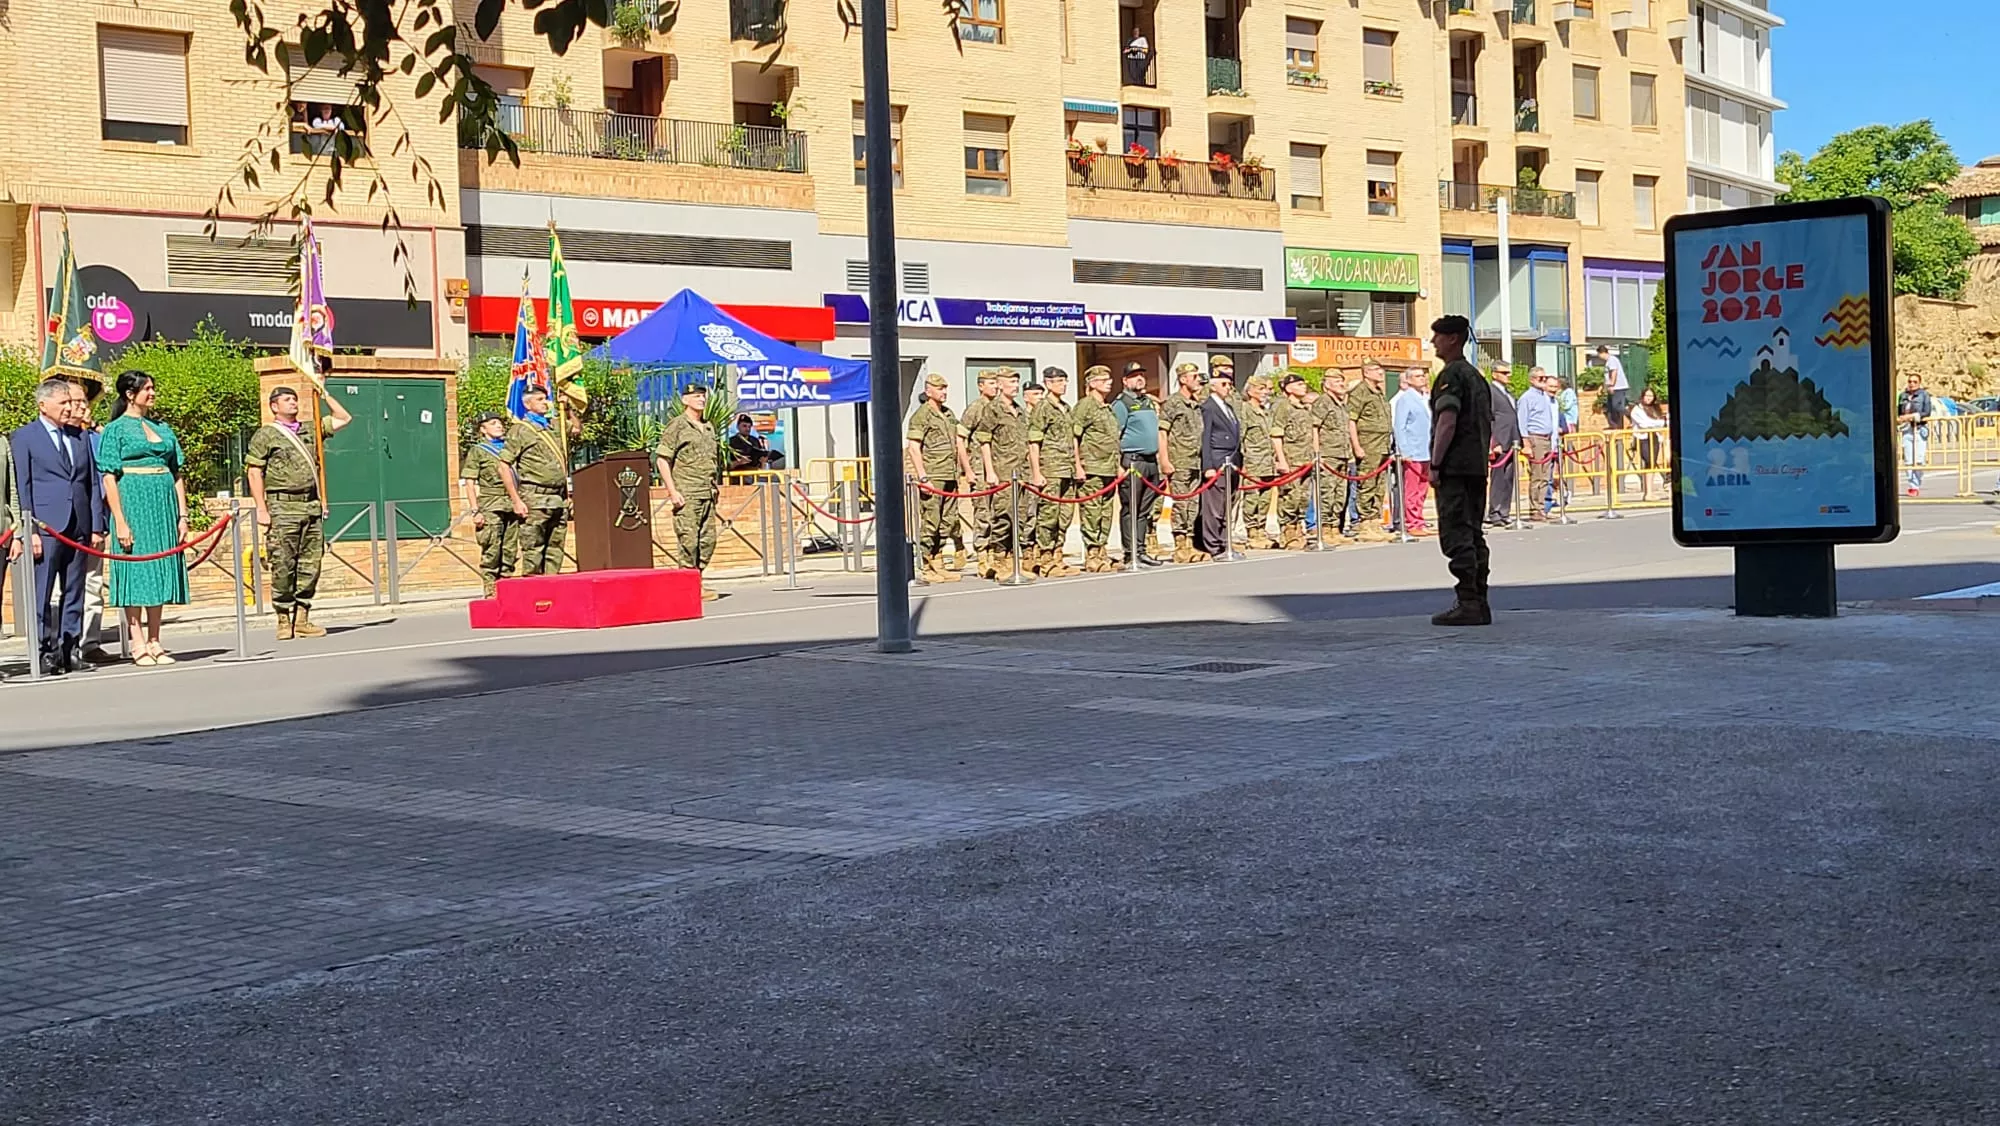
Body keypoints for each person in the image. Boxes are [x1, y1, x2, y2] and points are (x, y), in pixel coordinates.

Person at [95, 371, 191, 667]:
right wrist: (120, 521)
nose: (152, 393)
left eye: (153, 388)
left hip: (163, 508)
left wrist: (183, 515)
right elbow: (109, 477)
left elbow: (176, 473)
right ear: (129, 394)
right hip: (133, 505)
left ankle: (155, 639)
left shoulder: (163, 428)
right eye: (147, 388)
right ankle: (137, 641)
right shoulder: (115, 430)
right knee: (136, 571)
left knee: (159, 568)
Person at [12, 378, 106, 673]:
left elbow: (91, 482)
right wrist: (30, 530)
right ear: (43, 405)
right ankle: (44, 651)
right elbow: (23, 485)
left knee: (74, 590)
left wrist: (95, 525)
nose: (69, 408)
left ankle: (70, 649)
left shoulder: (79, 436)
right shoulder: (25, 437)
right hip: (46, 526)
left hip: (78, 524)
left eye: (71, 402)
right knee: (42, 591)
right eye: (63, 402)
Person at [246, 376, 352, 640]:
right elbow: (254, 472)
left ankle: (302, 618)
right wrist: (261, 508)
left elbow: (343, 418)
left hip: (310, 505)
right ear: (274, 406)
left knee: (310, 564)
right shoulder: (266, 435)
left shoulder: (311, 428)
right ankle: (283, 618)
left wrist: (324, 393)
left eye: (294, 399)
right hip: (282, 506)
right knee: (283, 563)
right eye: (286, 399)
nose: (293, 402)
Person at [1427, 315, 1494, 627]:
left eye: (1438, 336)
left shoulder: (1452, 375)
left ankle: (1468, 602)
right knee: (1473, 533)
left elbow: (1447, 420)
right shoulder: (1476, 376)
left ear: (1453, 338)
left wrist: (1436, 463)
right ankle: (1479, 600)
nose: (1434, 342)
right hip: (1476, 466)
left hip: (1455, 467)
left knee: (1457, 534)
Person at [497, 383, 576, 579]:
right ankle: (534, 592)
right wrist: (516, 500)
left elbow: (575, 429)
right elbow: (504, 466)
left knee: (555, 550)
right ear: (527, 404)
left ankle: (552, 590)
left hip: (558, 498)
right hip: (534, 497)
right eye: (539, 399)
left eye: (545, 398)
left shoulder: (553, 425)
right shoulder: (520, 430)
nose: (545, 402)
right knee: (533, 551)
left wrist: (568, 408)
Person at [655, 384, 723, 600]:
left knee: (707, 541)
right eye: (696, 396)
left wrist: (715, 486)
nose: (701, 399)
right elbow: (662, 459)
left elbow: (713, 460)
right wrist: (672, 491)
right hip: (687, 493)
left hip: (707, 493)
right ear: (685, 400)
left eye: (703, 396)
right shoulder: (677, 426)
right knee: (689, 541)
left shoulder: (708, 427)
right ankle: (687, 588)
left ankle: (696, 581)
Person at [905, 372, 967, 583]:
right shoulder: (921, 416)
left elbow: (959, 440)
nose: (944, 392)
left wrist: (964, 470)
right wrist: (923, 477)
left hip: (950, 474)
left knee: (947, 521)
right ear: (928, 390)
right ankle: (925, 564)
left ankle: (938, 560)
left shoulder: (948, 414)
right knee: (931, 521)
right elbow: (914, 448)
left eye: (945, 388)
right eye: (940, 388)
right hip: (933, 475)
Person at [973, 369, 1033, 580]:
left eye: (1017, 382)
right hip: (1003, 473)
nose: (1015, 386)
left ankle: (1013, 561)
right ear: (999, 384)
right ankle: (999, 560)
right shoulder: (992, 409)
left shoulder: (1020, 411)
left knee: (1020, 517)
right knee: (1002, 518)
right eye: (1011, 382)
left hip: (1021, 473)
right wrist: (990, 471)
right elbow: (984, 441)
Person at [460, 411, 521, 599]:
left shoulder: (510, 448)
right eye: (493, 423)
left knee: (510, 550)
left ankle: (506, 587)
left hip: (511, 504)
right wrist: (475, 510)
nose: (499, 426)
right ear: (483, 429)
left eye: (500, 423)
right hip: (490, 505)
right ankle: (491, 590)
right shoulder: (478, 451)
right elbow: (470, 482)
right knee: (492, 549)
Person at [1111, 361, 1165, 567]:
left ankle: (1141, 550)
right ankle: (1130, 552)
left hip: (1150, 461)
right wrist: (1118, 465)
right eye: (1134, 376)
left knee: (1144, 510)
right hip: (1133, 462)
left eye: (1141, 375)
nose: (1140, 378)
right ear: (1125, 381)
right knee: (1130, 508)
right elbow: (1115, 435)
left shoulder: (1147, 402)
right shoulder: (1122, 404)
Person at [1070, 365, 1123, 573]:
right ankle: (1092, 554)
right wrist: (1078, 465)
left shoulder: (1107, 408)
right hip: (1092, 467)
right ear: (1092, 383)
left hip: (1108, 467)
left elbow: (1112, 440)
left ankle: (1102, 550)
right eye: (1103, 380)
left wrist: (1118, 465)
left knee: (1106, 512)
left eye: (1109, 379)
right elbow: (1074, 437)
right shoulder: (1085, 406)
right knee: (1091, 512)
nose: (1109, 383)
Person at [1028, 367, 1079, 578]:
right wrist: (1036, 472)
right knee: (1048, 516)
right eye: (1058, 381)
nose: (1063, 385)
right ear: (1048, 384)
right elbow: (1033, 442)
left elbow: (1073, 440)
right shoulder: (1042, 408)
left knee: (1064, 516)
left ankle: (1058, 555)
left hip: (1067, 469)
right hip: (1051, 469)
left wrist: (1077, 466)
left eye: (1065, 381)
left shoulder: (1066, 408)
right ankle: (1045, 558)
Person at [1157, 362, 1207, 563]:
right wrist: (1164, 460)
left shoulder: (1196, 403)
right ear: (1183, 379)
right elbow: (1162, 433)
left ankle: (1190, 543)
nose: (1198, 380)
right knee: (1180, 503)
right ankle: (1180, 546)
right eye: (1194, 376)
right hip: (1179, 460)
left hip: (1196, 461)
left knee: (1193, 503)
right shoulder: (1173, 403)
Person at [1194, 363, 1242, 559]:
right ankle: (1214, 544)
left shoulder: (1228, 407)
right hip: (1218, 460)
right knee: (1214, 507)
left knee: (1226, 505)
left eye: (1229, 384)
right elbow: (1205, 438)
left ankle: (1225, 541)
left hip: (1231, 461)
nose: (1228, 387)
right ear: (1213, 386)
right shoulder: (1208, 407)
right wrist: (1208, 466)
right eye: (1223, 384)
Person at [1347, 362, 1396, 542]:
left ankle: (1375, 522)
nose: (1381, 373)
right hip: (1368, 445)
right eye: (1376, 370)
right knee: (1367, 484)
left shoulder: (1378, 392)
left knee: (1379, 485)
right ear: (1366, 373)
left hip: (1382, 445)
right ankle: (1365, 523)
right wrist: (1356, 446)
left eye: (1381, 370)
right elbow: (1351, 420)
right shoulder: (1360, 392)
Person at [958, 369, 1001, 571]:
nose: (995, 387)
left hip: (998, 466)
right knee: (983, 511)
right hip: (979, 467)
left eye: (996, 383)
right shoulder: (976, 408)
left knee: (997, 511)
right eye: (991, 383)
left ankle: (995, 553)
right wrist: (968, 470)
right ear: (981, 386)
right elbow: (960, 439)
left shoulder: (999, 407)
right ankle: (983, 555)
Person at [1309, 369, 1359, 543]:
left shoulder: (1341, 404)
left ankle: (1334, 528)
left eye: (1342, 381)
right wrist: (1317, 453)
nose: (1341, 384)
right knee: (1327, 493)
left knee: (1340, 494)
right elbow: (1314, 428)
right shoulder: (1323, 402)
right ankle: (1324, 528)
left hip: (1342, 454)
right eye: (1337, 381)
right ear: (1327, 384)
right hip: (1328, 454)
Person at [1271, 373, 1317, 550]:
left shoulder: (1304, 408)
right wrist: (1281, 460)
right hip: (1291, 460)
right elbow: (1276, 435)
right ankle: (1288, 531)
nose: (1303, 387)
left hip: (1305, 459)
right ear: (1288, 388)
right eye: (1299, 384)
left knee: (1303, 498)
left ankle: (1298, 528)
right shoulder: (1283, 407)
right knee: (1290, 497)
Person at [1237, 374, 1279, 549]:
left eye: (1265, 389)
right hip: (1253, 461)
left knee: (1265, 498)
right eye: (1260, 389)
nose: (1264, 392)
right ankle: (1252, 531)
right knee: (1252, 498)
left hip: (1268, 462)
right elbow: (1241, 437)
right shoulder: (1245, 410)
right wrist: (1242, 462)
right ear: (1250, 391)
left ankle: (1261, 529)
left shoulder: (1266, 411)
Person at [1391, 366, 1434, 536]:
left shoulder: (1426, 398)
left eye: (1422, 375)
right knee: (1412, 489)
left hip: (1427, 449)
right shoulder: (1405, 399)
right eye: (1417, 376)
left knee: (1423, 489)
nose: (1421, 378)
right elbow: (1399, 426)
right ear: (1408, 380)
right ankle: (1412, 522)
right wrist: (1404, 450)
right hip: (1413, 450)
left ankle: (1420, 520)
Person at [1516, 368, 1561, 521]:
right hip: (1536, 438)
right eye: (1540, 378)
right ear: (1532, 380)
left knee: (1545, 476)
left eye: (1545, 378)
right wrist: (1526, 444)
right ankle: (1535, 509)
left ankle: (1542, 508)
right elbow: (1522, 422)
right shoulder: (1527, 398)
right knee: (1537, 475)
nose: (1543, 380)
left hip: (1547, 438)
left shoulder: (1544, 397)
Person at [1486, 363, 1522, 527]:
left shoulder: (1508, 393)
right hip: (1500, 441)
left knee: (1508, 478)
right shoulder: (1491, 392)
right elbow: (1489, 418)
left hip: (1512, 441)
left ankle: (1504, 511)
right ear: (1494, 374)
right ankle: (1494, 512)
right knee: (1498, 478)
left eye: (1509, 372)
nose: (1508, 375)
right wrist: (1494, 442)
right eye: (1504, 372)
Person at [1628, 387, 1669, 500]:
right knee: (1649, 462)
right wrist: (1659, 423)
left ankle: (1649, 492)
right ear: (1642, 396)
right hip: (1643, 438)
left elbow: (1663, 421)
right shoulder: (1637, 410)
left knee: (1652, 464)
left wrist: (1658, 423)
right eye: (1647, 395)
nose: (1649, 398)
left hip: (1655, 437)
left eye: (1651, 396)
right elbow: (1644, 424)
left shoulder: (1656, 409)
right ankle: (1648, 493)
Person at [1898, 374, 1933, 497]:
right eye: (1910, 381)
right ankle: (1912, 486)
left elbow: (1927, 412)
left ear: (1919, 383)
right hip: (1906, 429)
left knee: (1918, 459)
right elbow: (1899, 411)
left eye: (1915, 381)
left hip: (1919, 428)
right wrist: (1901, 419)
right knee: (1908, 460)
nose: (1912, 384)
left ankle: (1916, 483)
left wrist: (1912, 416)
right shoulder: (1903, 395)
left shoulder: (1924, 395)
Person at [1596, 345, 1629, 430]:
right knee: (1610, 408)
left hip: (1618, 387)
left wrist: (1612, 385)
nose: (1599, 357)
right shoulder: (1608, 362)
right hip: (1613, 387)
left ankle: (1631, 416)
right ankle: (1615, 426)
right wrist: (1602, 387)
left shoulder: (1612, 360)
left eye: (1599, 354)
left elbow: (1614, 372)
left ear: (1602, 353)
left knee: (1617, 406)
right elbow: (1607, 377)